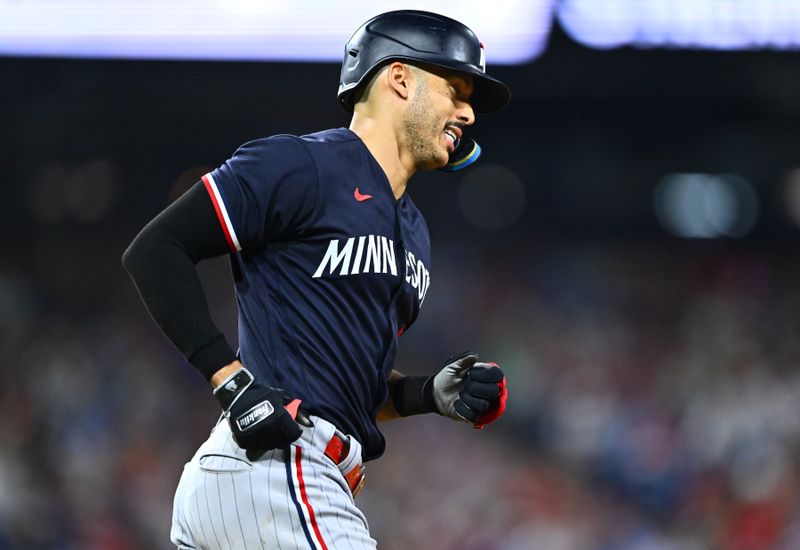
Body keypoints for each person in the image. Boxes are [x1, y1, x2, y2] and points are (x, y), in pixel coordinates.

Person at [123, 9, 510, 549]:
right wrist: (231, 382)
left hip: (280, 484)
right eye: (456, 89)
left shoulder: (414, 232)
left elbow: (344, 385)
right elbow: (155, 250)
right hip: (278, 472)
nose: (468, 112)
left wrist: (426, 394)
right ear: (400, 78)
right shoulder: (303, 164)